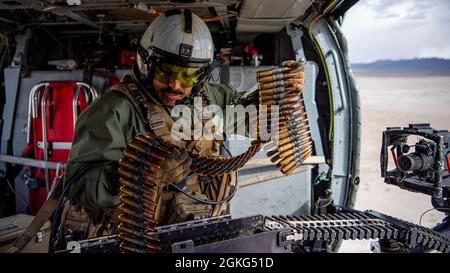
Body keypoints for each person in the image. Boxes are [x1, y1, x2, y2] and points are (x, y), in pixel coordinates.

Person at [55, 9, 303, 246]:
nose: (175, 84)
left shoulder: (211, 99)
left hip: (204, 234)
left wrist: (282, 91)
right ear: (147, 64)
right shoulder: (114, 110)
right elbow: (78, 186)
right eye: (166, 71)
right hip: (138, 241)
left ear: (201, 75)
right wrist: (142, 175)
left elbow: (255, 120)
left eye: (187, 75)